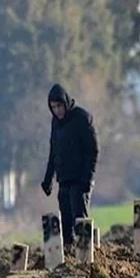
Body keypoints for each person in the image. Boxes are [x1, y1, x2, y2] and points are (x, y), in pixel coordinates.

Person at [41, 83, 99, 253]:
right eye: (53, 107)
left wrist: (87, 179)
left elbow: (92, 151)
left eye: (59, 106)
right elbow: (54, 151)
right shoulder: (55, 123)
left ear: (66, 103)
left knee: (79, 220)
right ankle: (68, 256)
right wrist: (48, 179)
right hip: (64, 179)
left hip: (80, 180)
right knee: (65, 222)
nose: (57, 110)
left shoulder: (82, 118)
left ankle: (86, 258)